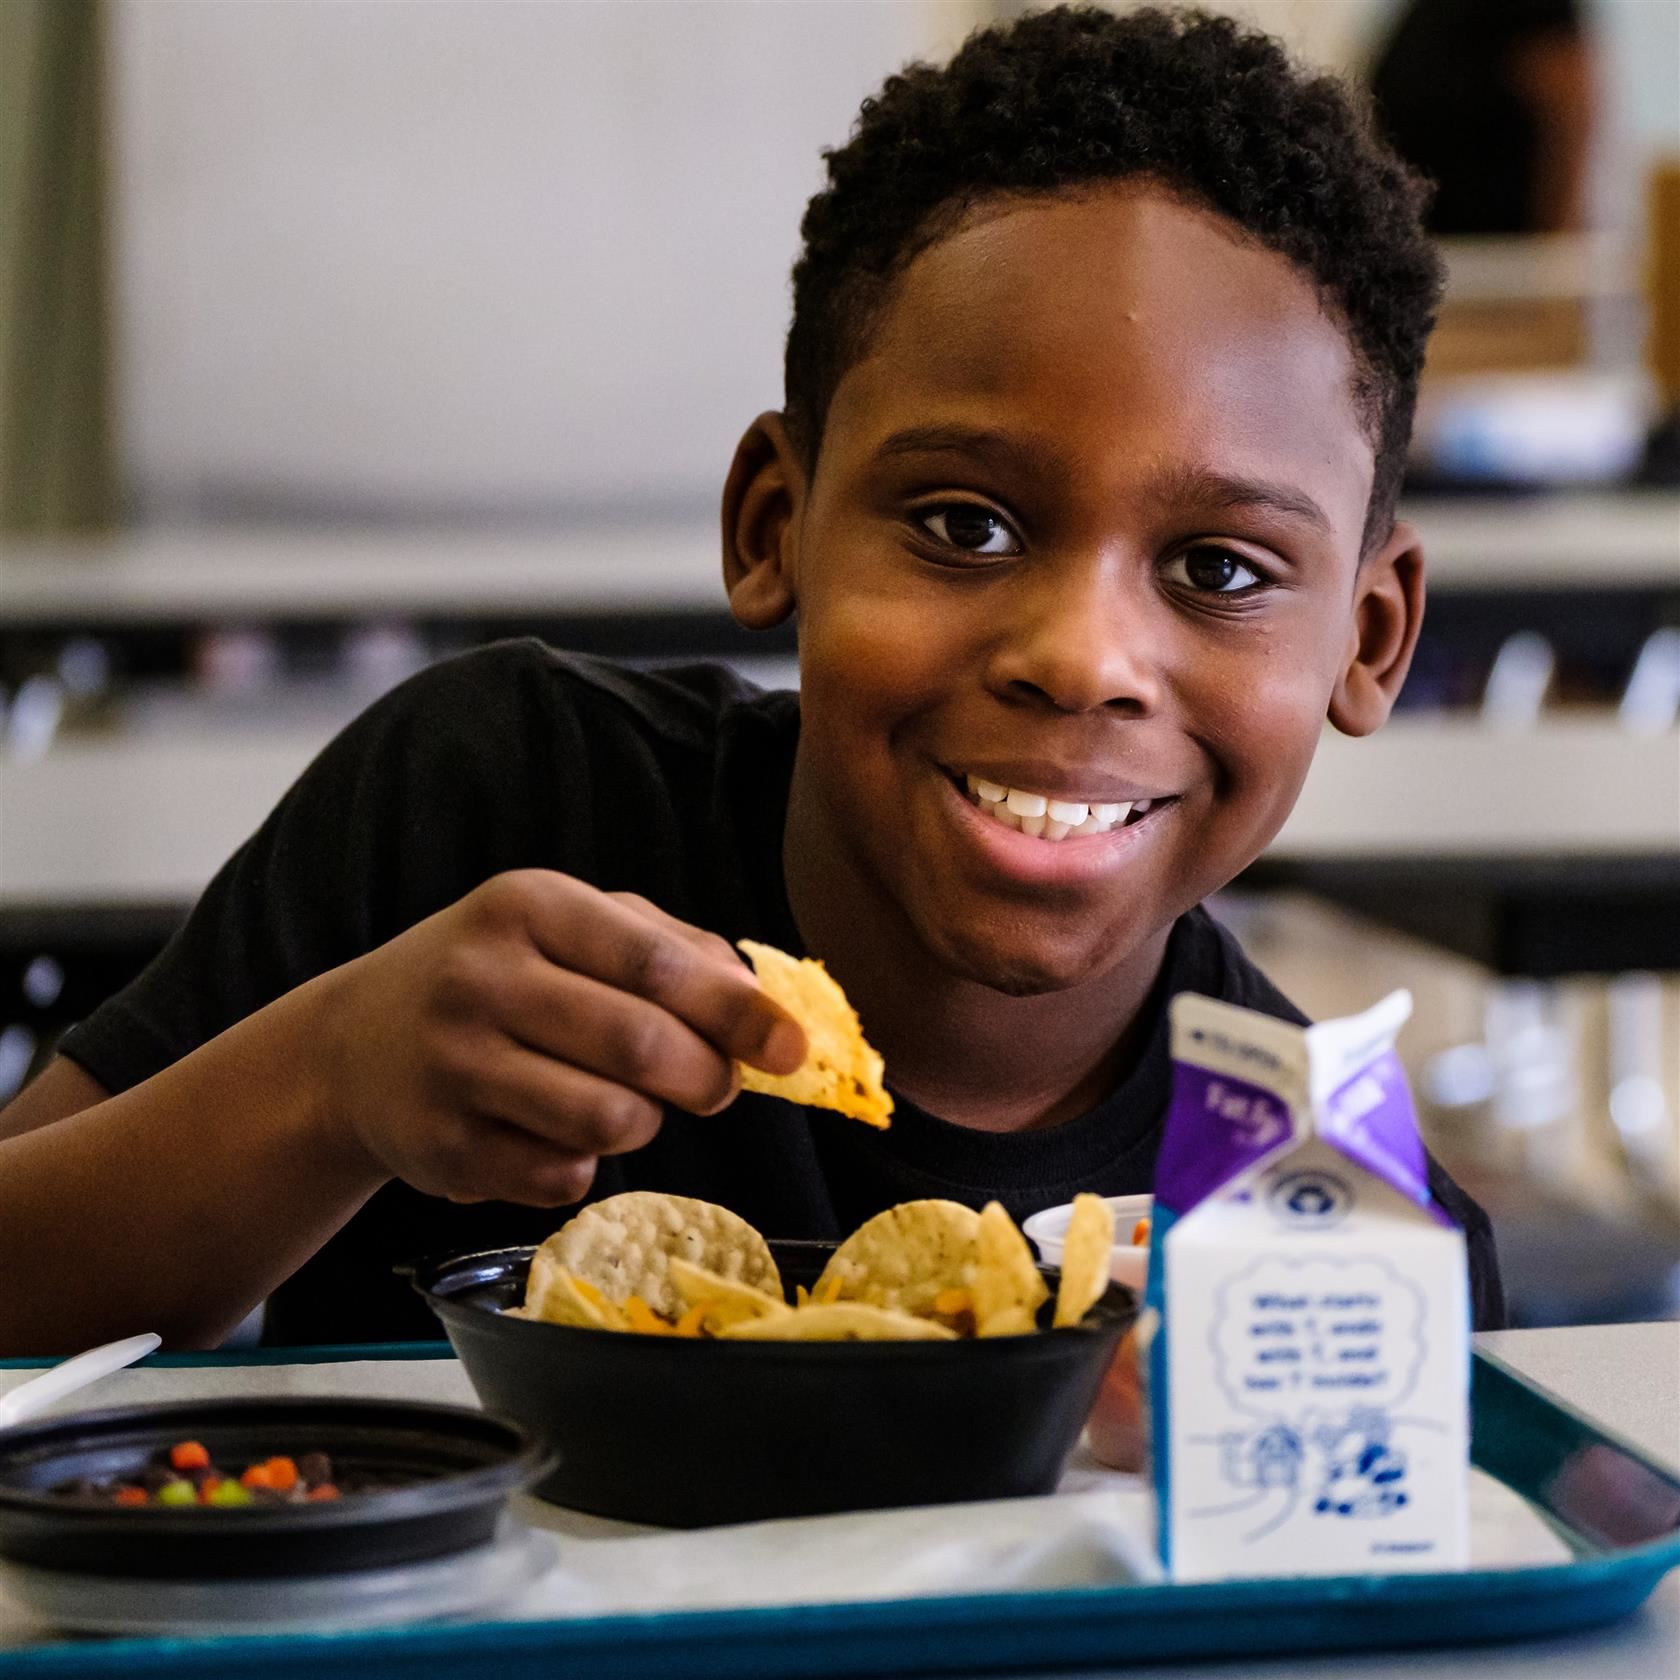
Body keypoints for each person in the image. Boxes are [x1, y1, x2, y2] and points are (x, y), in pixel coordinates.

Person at [0, 5, 1503, 1357]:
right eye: (964, 526)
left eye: (1221, 570)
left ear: (1370, 641)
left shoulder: (1343, 1240)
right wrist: (329, 1084)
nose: (1080, 659)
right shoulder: (493, 803)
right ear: (773, 525)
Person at [1369, 0, 1597, 236]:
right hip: (1441, 244)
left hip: (1503, 249)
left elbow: (1569, 107)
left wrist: (1552, 246)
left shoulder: (1522, 11)